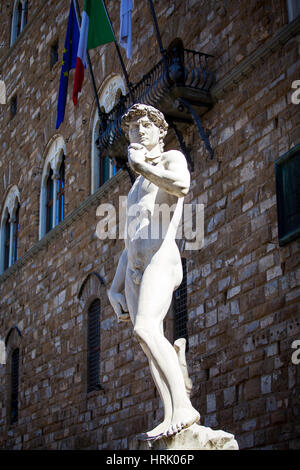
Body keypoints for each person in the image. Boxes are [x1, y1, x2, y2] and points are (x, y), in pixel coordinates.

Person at [108, 103, 200, 439]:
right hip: (135, 269)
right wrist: (113, 287)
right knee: (148, 344)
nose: (138, 132)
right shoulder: (134, 188)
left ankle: (186, 407)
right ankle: (171, 411)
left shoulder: (170, 159)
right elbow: (130, 240)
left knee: (146, 328)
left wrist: (142, 166)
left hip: (162, 257)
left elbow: (181, 186)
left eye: (146, 126)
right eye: (133, 128)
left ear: (160, 132)